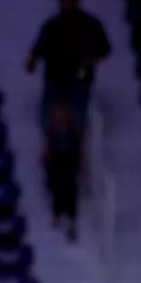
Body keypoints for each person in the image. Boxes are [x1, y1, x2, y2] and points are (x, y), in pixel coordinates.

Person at [25, 0, 111, 134]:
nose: (66, 3)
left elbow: (104, 48)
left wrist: (91, 60)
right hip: (55, 78)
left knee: (79, 121)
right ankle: (48, 150)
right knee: (47, 121)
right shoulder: (52, 25)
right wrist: (32, 60)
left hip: (79, 78)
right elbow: (37, 49)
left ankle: (80, 150)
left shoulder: (90, 24)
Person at [43, 102, 81, 240]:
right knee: (58, 190)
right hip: (56, 165)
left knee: (71, 191)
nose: (60, 118)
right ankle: (57, 216)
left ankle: (72, 222)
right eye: (57, 115)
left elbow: (77, 151)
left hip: (69, 164)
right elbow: (48, 152)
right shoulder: (52, 133)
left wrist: (78, 168)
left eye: (62, 115)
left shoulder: (73, 133)